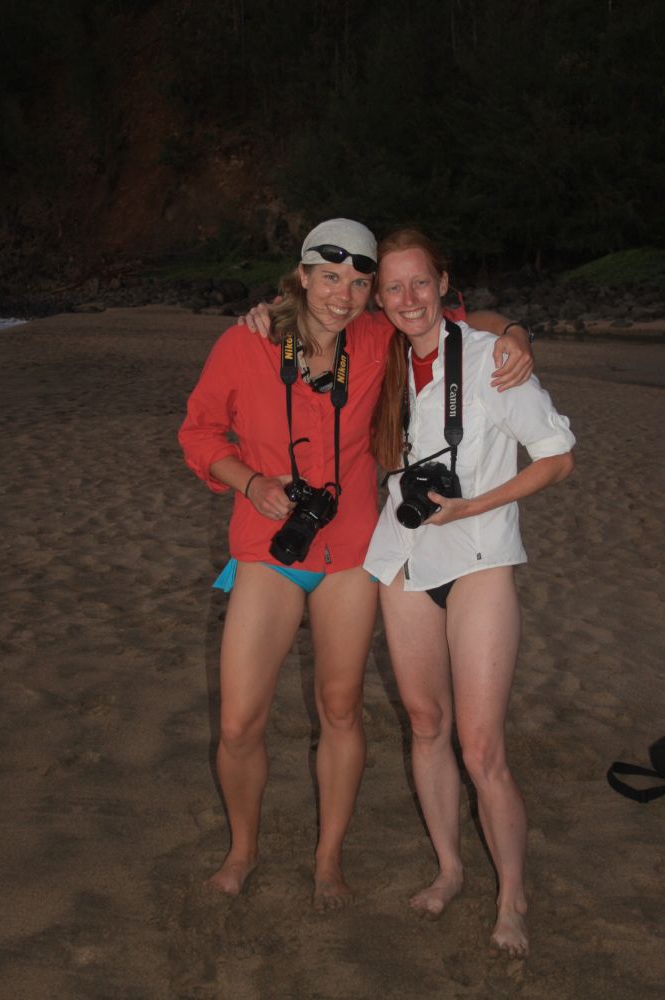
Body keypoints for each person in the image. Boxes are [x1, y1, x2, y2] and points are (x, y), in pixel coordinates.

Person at [179, 219, 533, 912]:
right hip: (269, 549)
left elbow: (462, 321)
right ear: (302, 277)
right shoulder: (247, 342)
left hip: (350, 552)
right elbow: (198, 432)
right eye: (329, 278)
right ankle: (242, 851)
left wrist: (515, 333)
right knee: (238, 723)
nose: (342, 296)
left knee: (340, 708)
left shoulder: (378, 338)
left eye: (358, 283)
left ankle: (328, 859)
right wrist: (250, 482)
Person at [364, 229, 575, 957]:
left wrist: (472, 507)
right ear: (378, 298)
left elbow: (557, 457)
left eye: (419, 283)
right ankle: (450, 868)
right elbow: (312, 325)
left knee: (482, 748)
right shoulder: (382, 361)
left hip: (479, 557)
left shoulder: (490, 360)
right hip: (402, 558)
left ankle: (512, 896)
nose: (408, 299)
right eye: (393, 287)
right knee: (426, 724)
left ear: (443, 283)